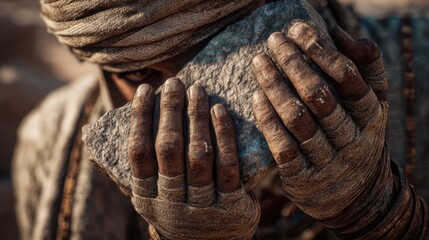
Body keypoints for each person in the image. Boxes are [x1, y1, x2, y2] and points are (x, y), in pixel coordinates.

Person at [12, 0, 429, 239]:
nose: (193, 104)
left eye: (225, 54)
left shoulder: (421, 67)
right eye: (140, 75)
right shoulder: (49, 144)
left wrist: (374, 209)